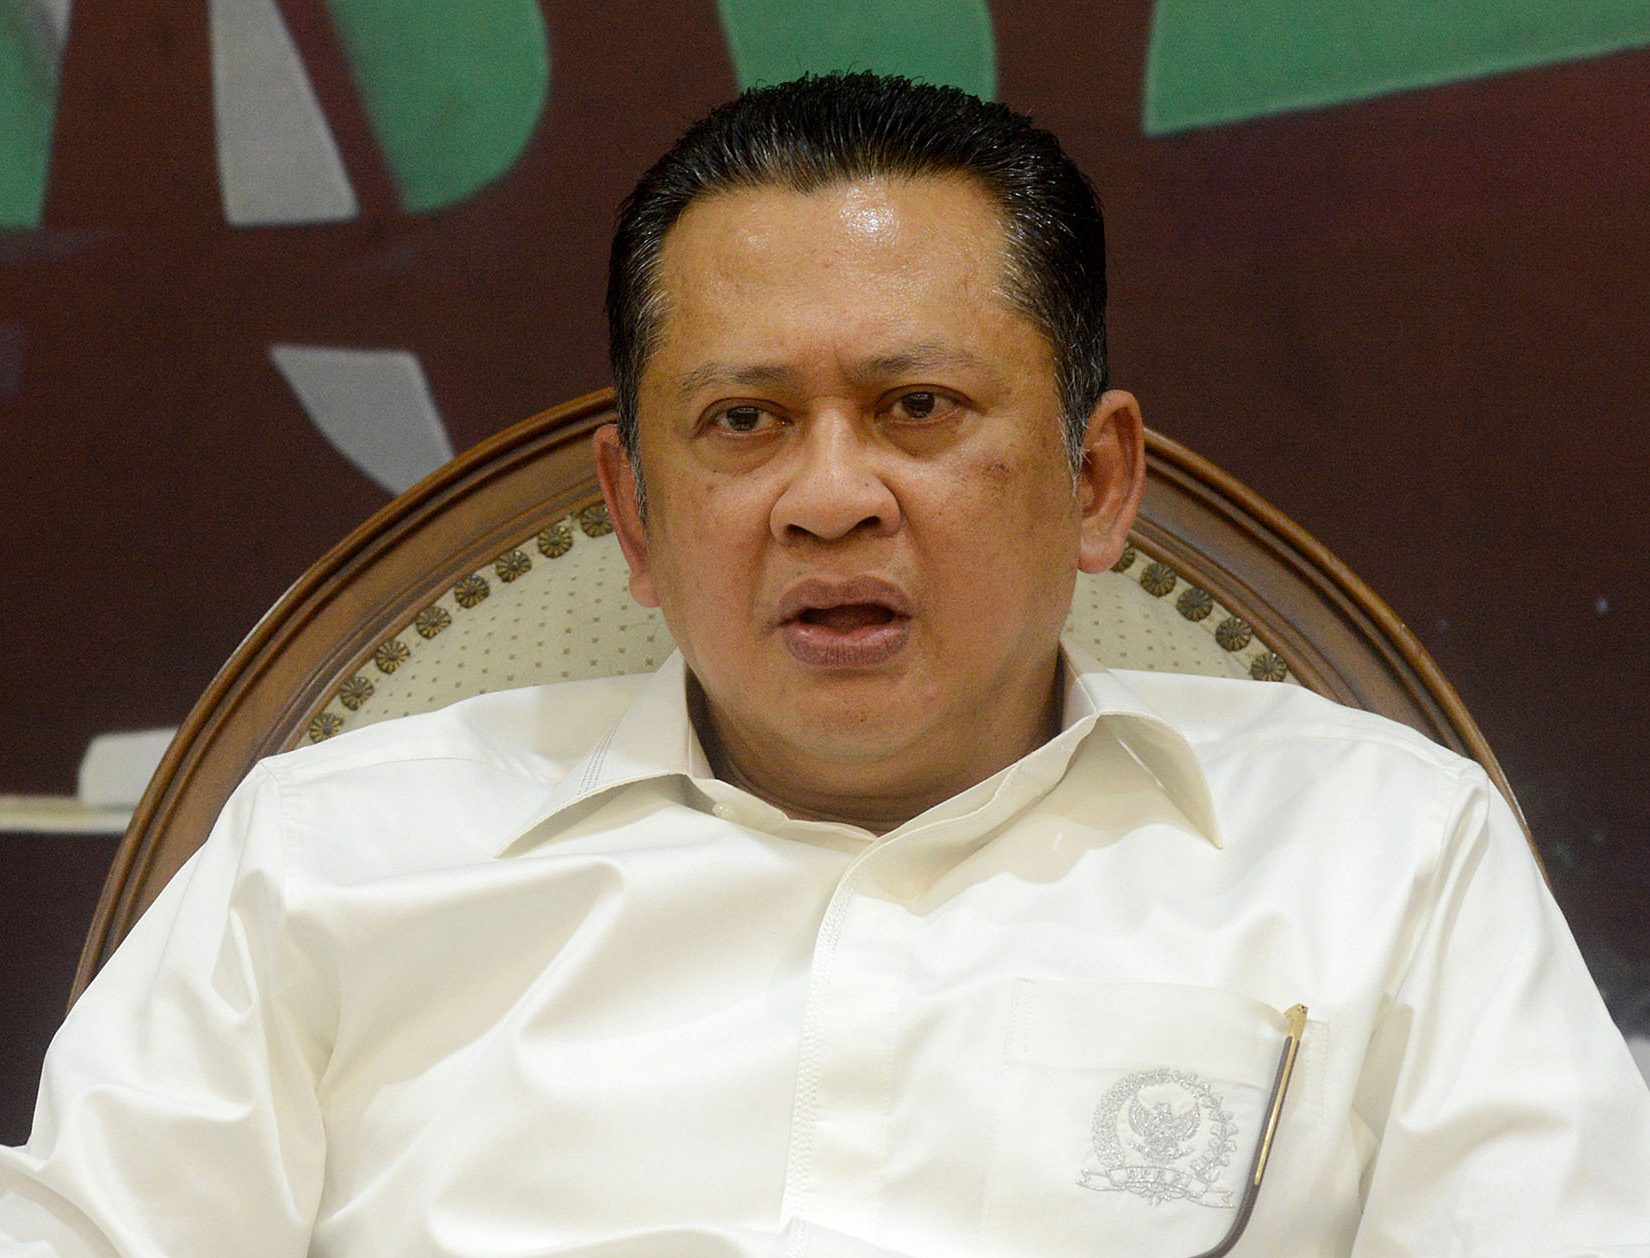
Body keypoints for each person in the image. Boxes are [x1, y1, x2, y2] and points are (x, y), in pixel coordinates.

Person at [3, 72, 1647, 1258]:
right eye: (744, 421)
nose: (829, 496)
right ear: (633, 515)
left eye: (917, 408)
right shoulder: (329, 859)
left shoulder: (1380, 853)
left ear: (1095, 482)